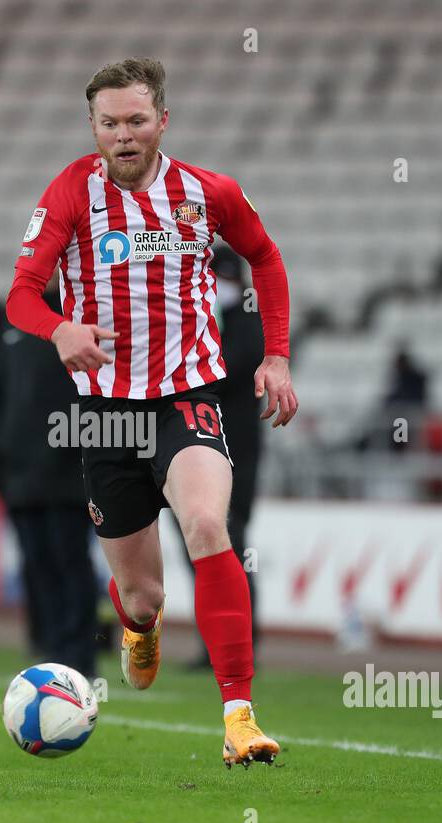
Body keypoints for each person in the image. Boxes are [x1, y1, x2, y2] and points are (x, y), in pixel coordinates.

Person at [6, 58, 298, 767]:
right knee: (142, 595)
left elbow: (266, 258)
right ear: (94, 127)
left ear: (162, 120)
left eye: (137, 121)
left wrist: (276, 355)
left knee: (205, 524)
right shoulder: (72, 191)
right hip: (108, 417)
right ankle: (141, 625)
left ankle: (238, 716)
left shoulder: (208, 192)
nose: (124, 135)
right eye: (110, 123)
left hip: (186, 398)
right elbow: (21, 294)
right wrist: (60, 330)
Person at [0, 271, 101, 678]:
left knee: (71, 562)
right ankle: (52, 650)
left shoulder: (82, 318)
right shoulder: (15, 325)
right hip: (20, 472)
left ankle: (81, 655)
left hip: (68, 470)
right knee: (37, 564)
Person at [184, 246, 264, 670]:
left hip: (235, 450)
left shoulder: (246, 325)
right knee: (201, 548)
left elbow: (226, 370)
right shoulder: (206, 321)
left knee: (228, 543)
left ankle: (242, 642)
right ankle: (215, 643)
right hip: (204, 448)